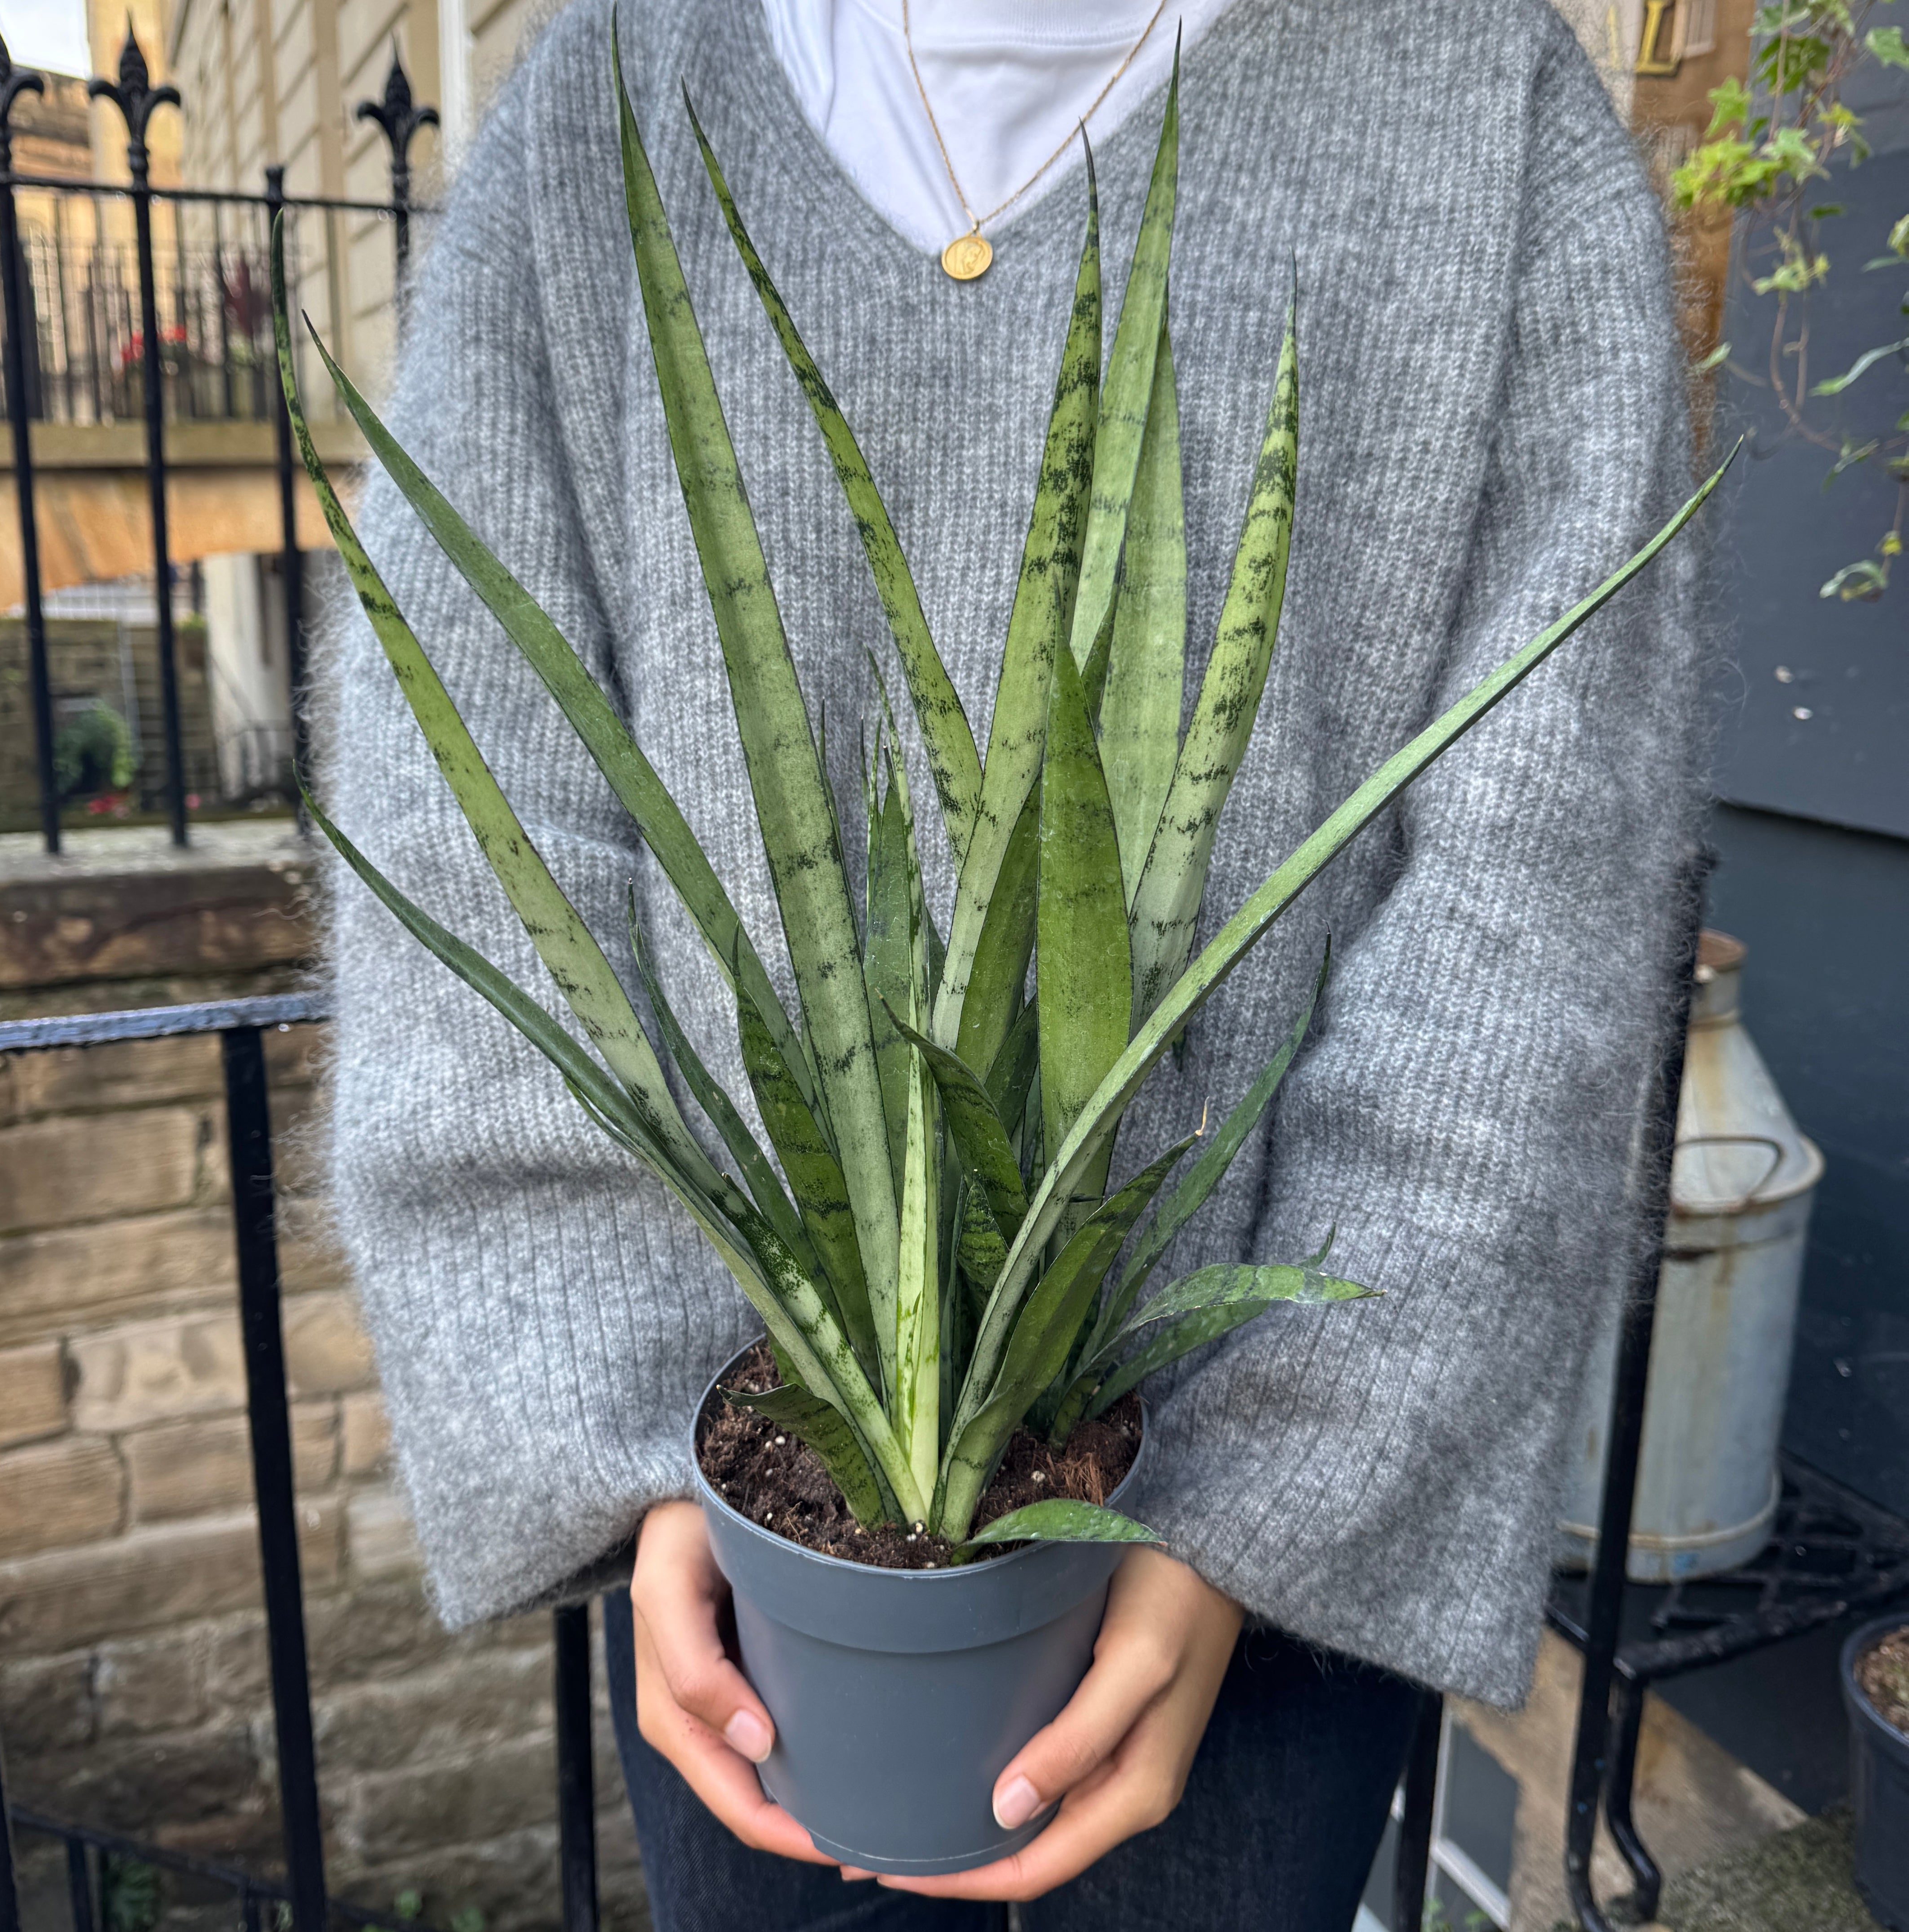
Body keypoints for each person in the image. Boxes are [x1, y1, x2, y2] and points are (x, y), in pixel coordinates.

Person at [318, 0, 1707, 1923]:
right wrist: (641, 1445)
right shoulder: (609, 98)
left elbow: (1533, 907)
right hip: (728, 1559)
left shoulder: (1486, 106)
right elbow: (467, 824)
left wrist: (1279, 1500)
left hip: (1249, 1608)